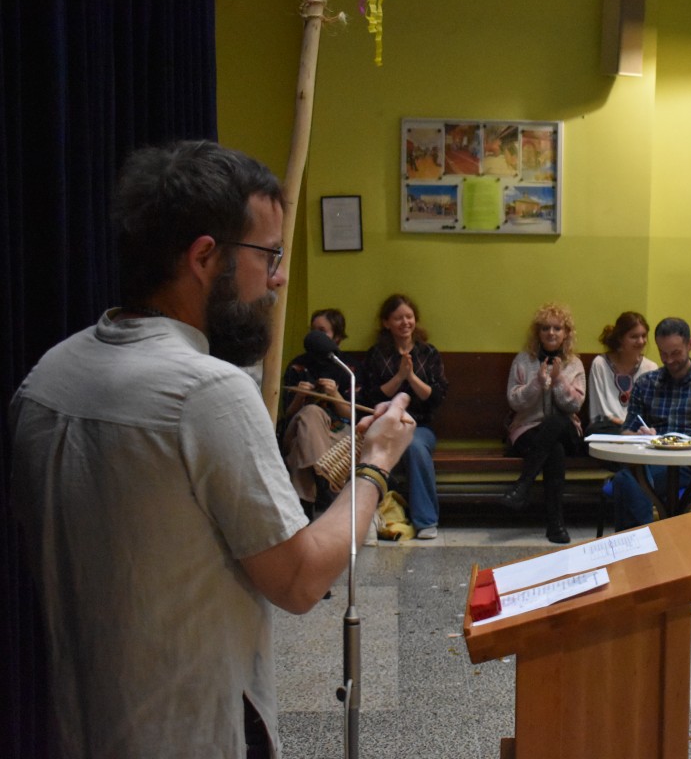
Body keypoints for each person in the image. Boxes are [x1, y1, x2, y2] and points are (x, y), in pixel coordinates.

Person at [8, 140, 416, 757]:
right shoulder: (207, 392)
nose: (279, 277)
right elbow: (300, 580)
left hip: (69, 724)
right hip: (187, 732)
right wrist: (377, 464)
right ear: (204, 256)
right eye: (269, 255)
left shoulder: (47, 374)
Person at [611, 317, 691, 531]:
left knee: (627, 480)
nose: (669, 360)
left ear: (690, 345)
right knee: (630, 477)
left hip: (690, 464)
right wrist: (640, 436)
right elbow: (627, 430)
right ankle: (648, 542)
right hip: (651, 459)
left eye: (675, 353)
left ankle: (641, 544)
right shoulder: (646, 383)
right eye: (663, 353)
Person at [361, 293, 449, 540]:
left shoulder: (428, 353)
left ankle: (426, 521)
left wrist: (411, 376)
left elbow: (436, 397)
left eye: (409, 317)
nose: (405, 322)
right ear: (386, 322)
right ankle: (371, 519)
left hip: (419, 427)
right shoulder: (377, 354)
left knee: (415, 447)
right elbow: (370, 397)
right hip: (384, 425)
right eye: (398, 318)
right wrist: (399, 376)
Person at [503, 302, 587, 543]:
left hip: (567, 430)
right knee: (554, 450)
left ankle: (523, 485)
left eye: (557, 328)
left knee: (557, 422)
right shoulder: (523, 360)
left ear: (566, 333)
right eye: (545, 328)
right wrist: (536, 384)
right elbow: (514, 402)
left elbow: (575, 405)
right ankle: (555, 526)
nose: (551, 333)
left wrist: (559, 381)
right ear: (538, 333)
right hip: (529, 430)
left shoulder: (574, 363)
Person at [280, 308, 357, 518]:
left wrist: (334, 394)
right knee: (312, 412)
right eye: (313, 330)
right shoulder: (298, 365)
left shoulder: (348, 367)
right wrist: (299, 397)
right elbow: (287, 415)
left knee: (300, 449)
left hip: (338, 435)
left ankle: (305, 512)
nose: (315, 335)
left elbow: (354, 416)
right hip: (297, 429)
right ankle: (325, 481)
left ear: (337, 337)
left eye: (322, 331)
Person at [587, 311, 657, 435]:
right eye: (634, 337)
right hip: (609, 428)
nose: (641, 341)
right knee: (594, 429)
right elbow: (599, 412)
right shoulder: (600, 364)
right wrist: (625, 429)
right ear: (620, 338)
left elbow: (650, 411)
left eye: (644, 336)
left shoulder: (650, 368)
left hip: (639, 429)